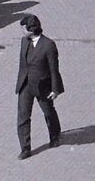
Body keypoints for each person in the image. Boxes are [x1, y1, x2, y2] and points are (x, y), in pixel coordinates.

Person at [16, 14, 64, 160]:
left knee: (48, 111)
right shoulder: (25, 42)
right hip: (26, 84)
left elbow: (53, 69)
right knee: (23, 116)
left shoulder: (48, 45)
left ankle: (54, 135)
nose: (22, 31)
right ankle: (25, 148)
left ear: (31, 29)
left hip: (42, 85)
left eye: (24, 28)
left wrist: (55, 90)